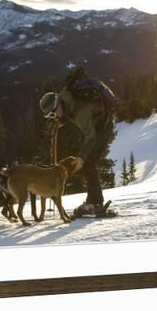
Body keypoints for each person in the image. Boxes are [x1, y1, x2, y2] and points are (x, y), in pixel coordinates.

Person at [39, 67, 117, 216]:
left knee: (88, 163)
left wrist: (81, 158)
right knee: (88, 162)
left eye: (52, 113)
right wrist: (61, 121)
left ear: (57, 105)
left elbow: (91, 137)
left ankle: (94, 203)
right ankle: (94, 202)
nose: (52, 117)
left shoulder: (81, 112)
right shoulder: (65, 98)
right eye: (49, 116)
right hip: (96, 124)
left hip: (102, 128)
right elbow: (69, 112)